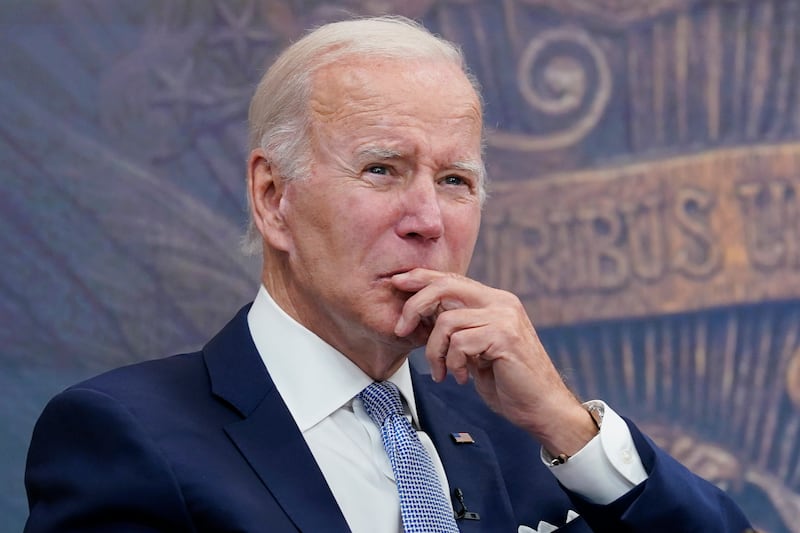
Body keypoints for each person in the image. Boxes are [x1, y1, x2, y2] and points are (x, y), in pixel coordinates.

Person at [24, 15, 751, 533]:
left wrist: (568, 425)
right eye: (382, 169)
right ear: (274, 199)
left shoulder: (526, 445)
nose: (427, 218)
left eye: (456, 180)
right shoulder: (127, 434)